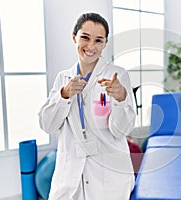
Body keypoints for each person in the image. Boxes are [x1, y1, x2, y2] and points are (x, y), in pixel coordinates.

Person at [38, 12, 136, 200]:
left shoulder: (118, 76)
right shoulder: (63, 79)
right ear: (74, 38)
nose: (91, 46)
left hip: (109, 175)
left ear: (105, 44)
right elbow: (47, 125)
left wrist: (121, 98)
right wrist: (64, 95)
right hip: (70, 174)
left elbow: (120, 130)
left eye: (99, 40)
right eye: (85, 37)